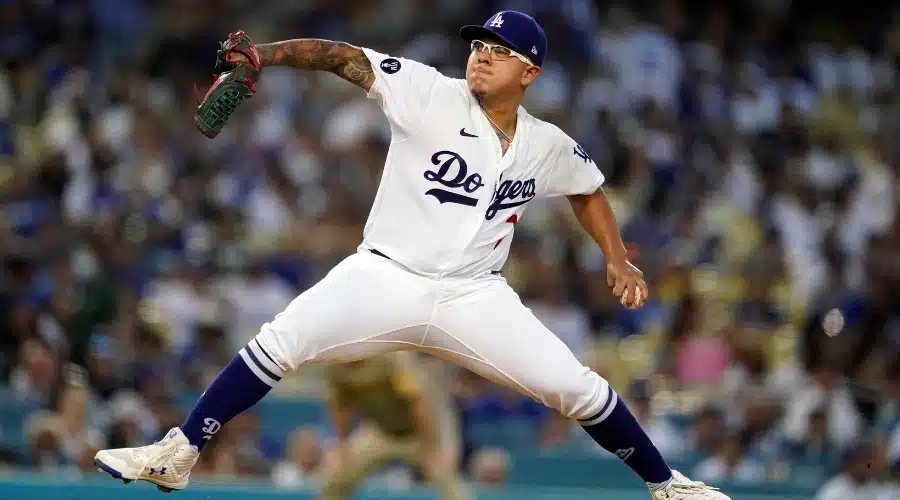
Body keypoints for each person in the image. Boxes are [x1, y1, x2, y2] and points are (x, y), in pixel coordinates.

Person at [94, 10, 729, 499]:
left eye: (499, 51)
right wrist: (265, 55)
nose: (481, 56)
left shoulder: (546, 143)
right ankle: (178, 452)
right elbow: (344, 58)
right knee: (278, 341)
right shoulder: (428, 91)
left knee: (578, 389)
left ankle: (665, 484)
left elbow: (588, 190)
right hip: (384, 275)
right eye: (478, 45)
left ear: (529, 73)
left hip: (474, 295)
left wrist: (616, 256)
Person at [319, 352, 467, 499]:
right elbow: (340, 409)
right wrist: (341, 448)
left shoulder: (391, 355)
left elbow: (417, 405)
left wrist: (431, 448)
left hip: (426, 430)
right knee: (336, 477)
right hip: (381, 430)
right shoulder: (335, 364)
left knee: (446, 478)